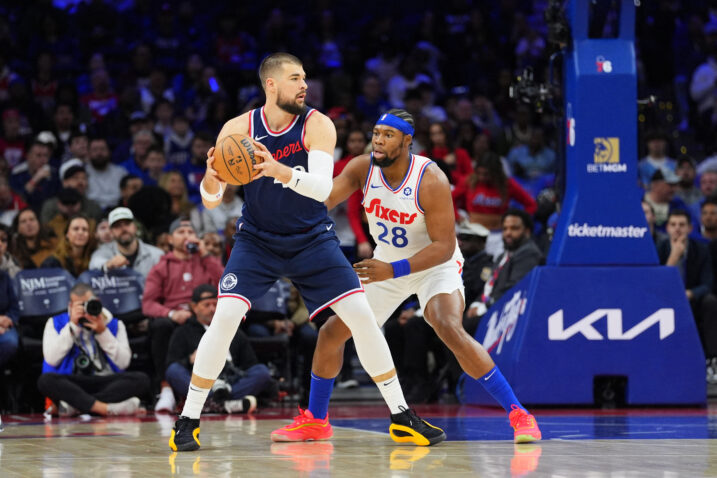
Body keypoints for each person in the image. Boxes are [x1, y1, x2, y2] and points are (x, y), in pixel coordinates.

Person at [170, 54, 439, 452]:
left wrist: (275, 168)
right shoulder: (237, 129)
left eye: (305, 78)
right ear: (271, 85)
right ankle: (188, 419)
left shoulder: (317, 124)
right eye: (295, 78)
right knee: (224, 317)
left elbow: (319, 188)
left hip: (312, 238)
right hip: (257, 240)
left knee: (362, 318)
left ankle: (401, 415)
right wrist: (212, 175)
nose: (304, 85)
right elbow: (211, 201)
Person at [272, 109, 541, 445]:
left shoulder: (430, 179)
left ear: (407, 141)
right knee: (331, 333)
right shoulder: (361, 167)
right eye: (376, 133)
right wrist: (280, 196)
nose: (379, 141)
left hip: (433, 266)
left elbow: (444, 246)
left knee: (448, 327)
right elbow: (321, 201)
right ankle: (316, 419)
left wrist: (394, 270)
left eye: (388, 135)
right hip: (386, 264)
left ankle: (519, 414)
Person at [144, 217, 223, 413]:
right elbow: (148, 303)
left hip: (204, 317)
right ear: (170, 239)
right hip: (175, 320)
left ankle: (220, 386)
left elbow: (226, 285)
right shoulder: (161, 266)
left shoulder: (206, 261)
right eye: (181, 232)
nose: (187, 236)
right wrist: (170, 313)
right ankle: (166, 388)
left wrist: (206, 255)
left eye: (190, 232)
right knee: (160, 326)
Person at [37, 282, 150, 416]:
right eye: (80, 305)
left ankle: (76, 407)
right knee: (45, 380)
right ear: (70, 306)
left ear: (97, 302)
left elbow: (124, 362)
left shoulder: (114, 324)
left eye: (88, 304)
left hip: (105, 380)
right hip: (72, 381)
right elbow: (51, 359)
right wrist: (73, 326)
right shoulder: (55, 323)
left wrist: (103, 332)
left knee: (142, 379)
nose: (85, 309)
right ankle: (105, 408)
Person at [165, 285, 274, 414]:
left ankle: (214, 403)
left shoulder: (234, 331)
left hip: (230, 382)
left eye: (215, 304)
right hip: (200, 381)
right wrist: (189, 360)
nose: (212, 309)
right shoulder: (182, 332)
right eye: (206, 305)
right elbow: (172, 364)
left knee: (261, 372)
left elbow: (250, 364)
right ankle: (225, 404)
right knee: (173, 371)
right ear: (194, 307)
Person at [657, 209, 717, 382]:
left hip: (692, 301)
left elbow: (708, 284)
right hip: (665, 300)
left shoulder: (701, 250)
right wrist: (674, 256)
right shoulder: (659, 248)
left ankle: (711, 361)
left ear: (690, 228)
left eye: (682, 225)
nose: (677, 229)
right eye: (673, 225)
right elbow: (658, 283)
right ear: (667, 228)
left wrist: (690, 293)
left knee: (711, 302)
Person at [452, 151, 537, 259]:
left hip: (498, 235)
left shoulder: (507, 185)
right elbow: (449, 199)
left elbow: (531, 204)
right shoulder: (470, 181)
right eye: (479, 173)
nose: (482, 177)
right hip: (473, 235)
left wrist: (519, 223)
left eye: (486, 174)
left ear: (495, 173)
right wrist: (457, 217)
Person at [89, 207, 164, 279]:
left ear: (135, 227)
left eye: (127, 224)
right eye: (117, 226)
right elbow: (94, 263)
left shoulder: (156, 255)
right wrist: (108, 264)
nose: (123, 229)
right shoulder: (104, 251)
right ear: (111, 232)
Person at [0, 268, 19, 370]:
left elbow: (15, 308)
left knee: (10, 343)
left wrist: (8, 320)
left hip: (4, 325)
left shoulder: (4, 277)